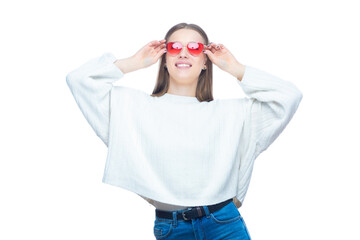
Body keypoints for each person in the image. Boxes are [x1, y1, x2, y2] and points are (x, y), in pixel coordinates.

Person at [66, 22, 303, 239]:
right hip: (171, 228)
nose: (184, 52)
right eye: (175, 46)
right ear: (164, 58)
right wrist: (134, 62)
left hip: (224, 224)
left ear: (205, 62)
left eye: (195, 47)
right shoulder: (131, 108)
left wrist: (235, 68)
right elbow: (79, 80)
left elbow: (288, 97)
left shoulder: (233, 114)